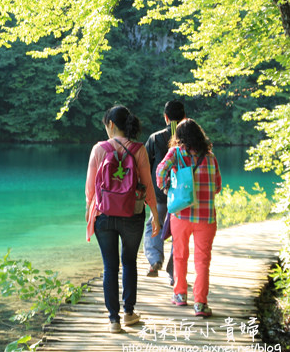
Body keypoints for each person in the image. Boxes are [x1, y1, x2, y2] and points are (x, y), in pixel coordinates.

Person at [86, 105, 159, 333]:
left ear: (111, 125)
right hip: (132, 214)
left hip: (104, 216)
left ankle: (113, 320)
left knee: (110, 266)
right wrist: (156, 215)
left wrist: (89, 214)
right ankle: (128, 313)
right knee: (128, 262)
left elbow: (90, 190)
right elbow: (147, 186)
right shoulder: (139, 149)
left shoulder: (99, 149)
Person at [156, 118, 221, 318]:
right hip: (206, 217)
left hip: (181, 214)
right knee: (202, 261)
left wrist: (168, 187)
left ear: (179, 137)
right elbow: (217, 187)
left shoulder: (176, 153)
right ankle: (200, 304)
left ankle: (180, 295)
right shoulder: (210, 158)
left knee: (180, 255)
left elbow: (159, 174)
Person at [143, 100, 186, 285]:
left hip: (160, 195)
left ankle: (155, 261)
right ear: (184, 117)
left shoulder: (155, 138)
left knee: (154, 226)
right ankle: (173, 274)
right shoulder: (190, 139)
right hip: (183, 197)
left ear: (166, 117)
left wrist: (145, 190)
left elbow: (145, 166)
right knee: (179, 234)